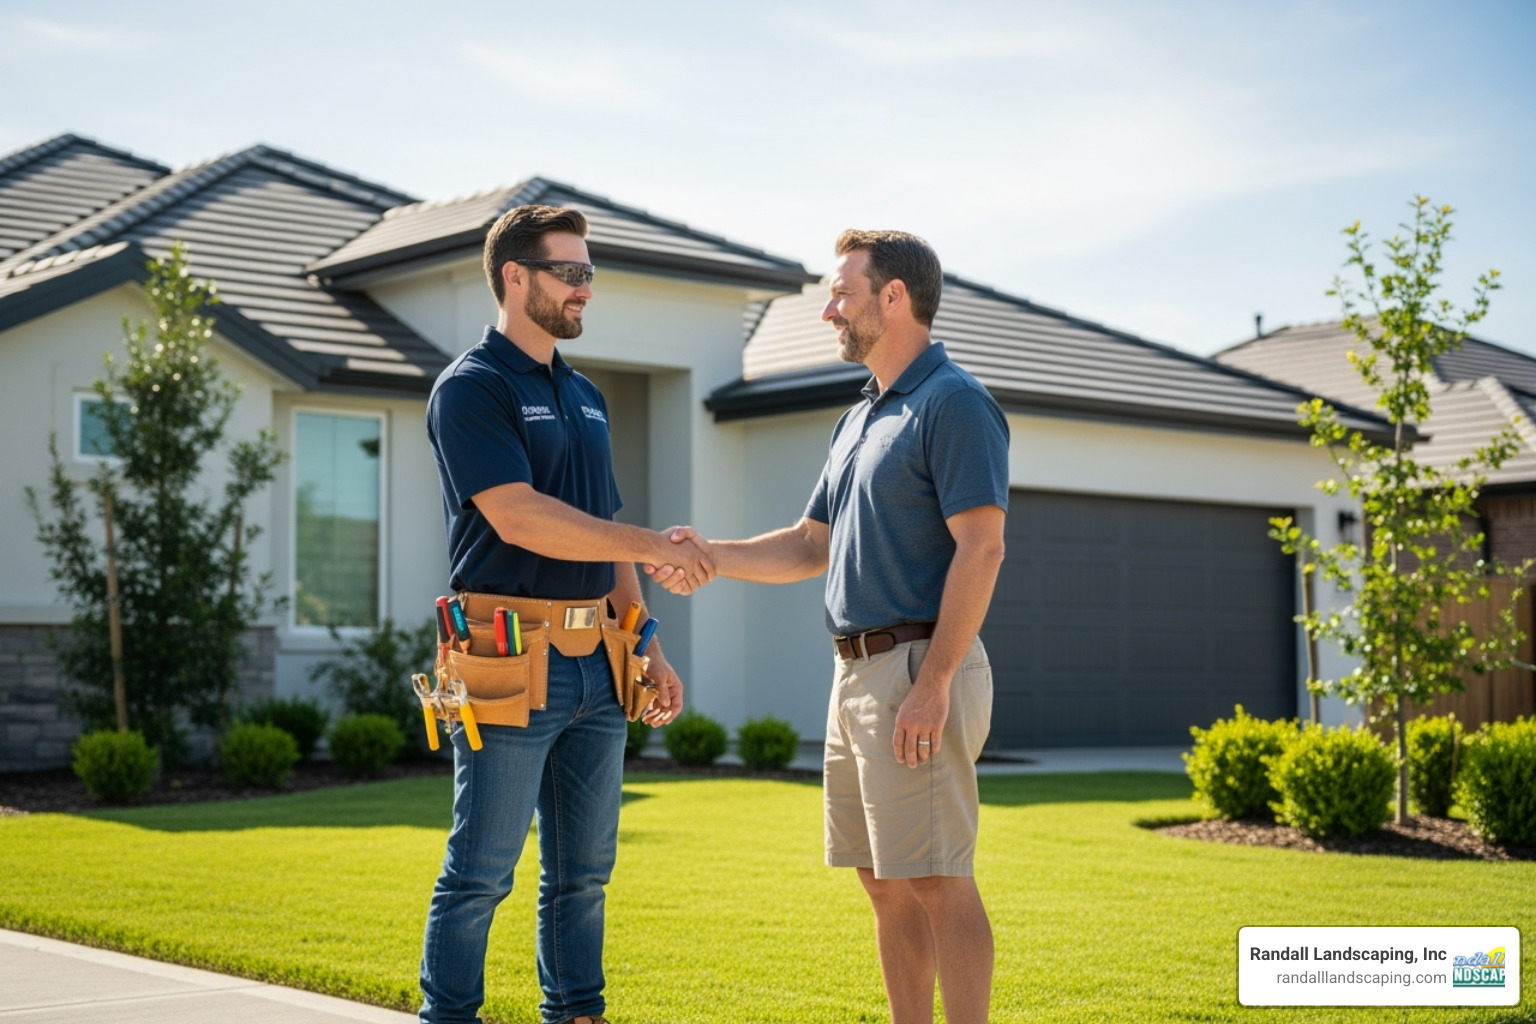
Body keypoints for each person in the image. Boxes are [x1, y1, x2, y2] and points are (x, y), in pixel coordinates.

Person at [653, 230, 1009, 1024]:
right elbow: (809, 544)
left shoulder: (953, 403)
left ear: (894, 298)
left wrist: (935, 683)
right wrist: (710, 555)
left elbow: (982, 547)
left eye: (843, 292)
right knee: (882, 882)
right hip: (854, 672)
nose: (828, 311)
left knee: (937, 878)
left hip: (917, 664)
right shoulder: (860, 419)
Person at [419, 203, 714, 1024]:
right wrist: (650, 536)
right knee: (481, 870)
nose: (586, 289)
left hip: (597, 665)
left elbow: (604, 541)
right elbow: (518, 515)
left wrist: (649, 639)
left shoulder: (585, 396)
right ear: (515, 277)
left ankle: (577, 1012)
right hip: (506, 655)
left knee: (584, 872)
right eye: (570, 272)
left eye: (590, 273)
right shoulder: (472, 388)